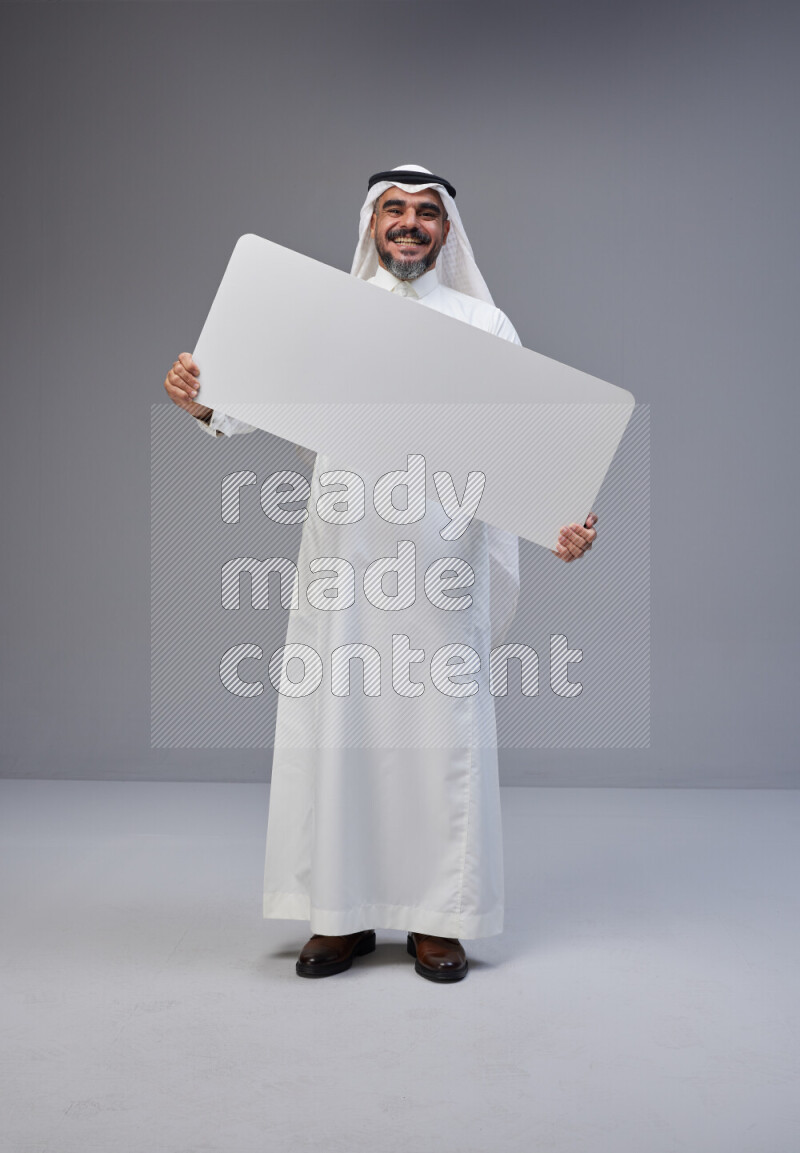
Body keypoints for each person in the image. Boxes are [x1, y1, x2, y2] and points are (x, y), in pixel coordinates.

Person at [164, 164, 597, 983]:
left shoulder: (484, 324)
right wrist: (202, 402)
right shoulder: (331, 316)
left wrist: (561, 522)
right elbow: (246, 398)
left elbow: (527, 448)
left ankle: (439, 920)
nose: (408, 224)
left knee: (438, 739)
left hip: (439, 567)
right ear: (370, 224)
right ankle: (342, 914)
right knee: (342, 734)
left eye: (425, 213)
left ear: (446, 232)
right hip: (346, 562)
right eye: (393, 210)